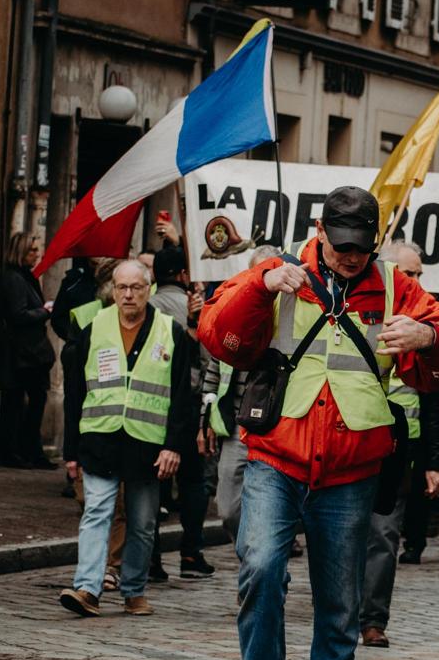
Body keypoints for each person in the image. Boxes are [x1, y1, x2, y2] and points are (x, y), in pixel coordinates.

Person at [198, 186, 439, 660]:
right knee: (260, 569)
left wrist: (428, 337)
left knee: (340, 609)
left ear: (375, 241)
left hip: (351, 470)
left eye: (360, 248)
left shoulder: (396, 287)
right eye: (340, 245)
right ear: (320, 231)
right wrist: (260, 285)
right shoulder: (279, 272)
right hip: (276, 456)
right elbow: (216, 333)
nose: (349, 258)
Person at [57, 259, 193, 618]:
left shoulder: (170, 331)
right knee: (96, 513)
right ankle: (88, 588)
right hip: (100, 438)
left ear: (149, 290)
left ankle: (134, 590)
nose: (128, 294)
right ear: (113, 291)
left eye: (136, 287)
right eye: (122, 287)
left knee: (143, 523)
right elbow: (75, 392)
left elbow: (183, 395)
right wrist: (71, 451)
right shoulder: (94, 328)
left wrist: (173, 446)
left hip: (147, 444)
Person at [360, 241, 439, 649]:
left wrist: (434, 462)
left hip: (399, 451)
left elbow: (433, 401)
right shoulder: (360, 311)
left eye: (419, 274)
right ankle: (340, 607)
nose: (415, 281)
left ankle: (373, 620)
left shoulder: (423, 324)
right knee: (342, 533)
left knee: (384, 535)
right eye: (408, 273)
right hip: (353, 440)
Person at [198, 245, 281, 542]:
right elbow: (214, 369)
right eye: (259, 272)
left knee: (272, 511)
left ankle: (260, 560)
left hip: (275, 430)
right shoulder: (234, 307)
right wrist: (206, 418)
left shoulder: (289, 315)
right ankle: (251, 553)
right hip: (237, 427)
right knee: (228, 508)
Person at [148, 245, 214, 579]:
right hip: (189, 400)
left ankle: (151, 559)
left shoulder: (147, 307)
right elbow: (206, 357)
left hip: (153, 403)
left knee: (153, 484)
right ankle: (190, 553)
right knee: (193, 481)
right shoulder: (195, 308)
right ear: (183, 274)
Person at [0, 232, 56, 469]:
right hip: (22, 353)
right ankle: (17, 450)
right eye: (32, 250)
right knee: (20, 400)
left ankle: (26, 450)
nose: (37, 254)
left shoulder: (25, 277)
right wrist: (45, 311)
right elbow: (18, 315)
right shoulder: (14, 278)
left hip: (29, 352)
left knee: (29, 399)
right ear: (21, 251)